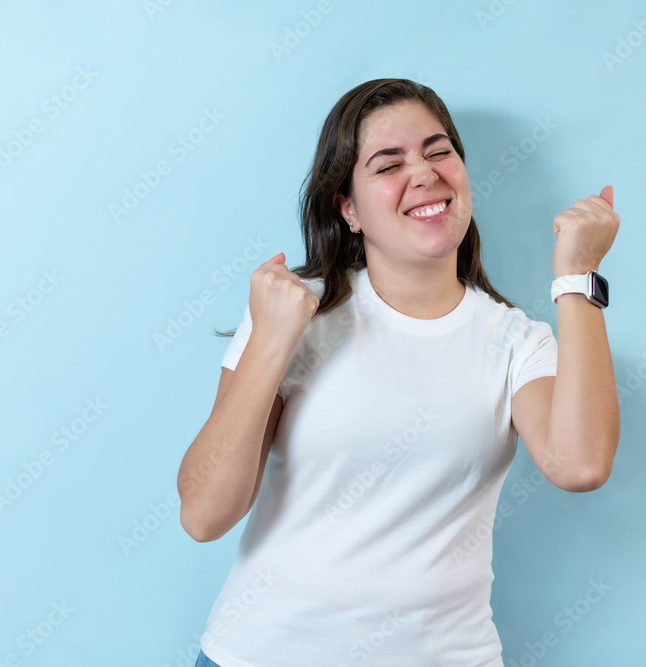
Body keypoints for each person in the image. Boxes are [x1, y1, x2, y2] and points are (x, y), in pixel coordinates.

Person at [176, 78, 621, 667]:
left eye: (439, 152)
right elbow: (205, 514)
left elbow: (581, 465)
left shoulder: (518, 342)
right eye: (389, 163)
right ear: (349, 209)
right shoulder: (294, 314)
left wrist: (578, 278)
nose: (425, 173)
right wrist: (270, 343)